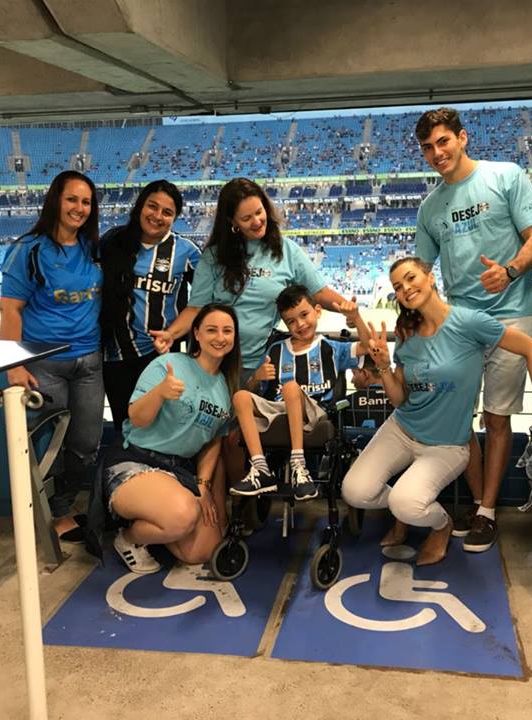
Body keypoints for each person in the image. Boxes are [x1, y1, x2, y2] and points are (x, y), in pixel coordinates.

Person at [341, 257, 532, 566]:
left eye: (411, 278)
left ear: (430, 277)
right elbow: (399, 399)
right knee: (355, 492)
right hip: (402, 429)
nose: (406, 288)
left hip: (447, 444)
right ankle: (404, 510)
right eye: (398, 286)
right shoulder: (406, 330)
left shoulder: (468, 322)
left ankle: (439, 524)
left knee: (406, 502)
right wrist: (384, 367)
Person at [413, 107, 532, 553]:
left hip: (511, 313)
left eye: (443, 142)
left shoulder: (506, 176)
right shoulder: (430, 208)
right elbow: (421, 272)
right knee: (458, 420)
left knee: (498, 416)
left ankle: (488, 511)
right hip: (460, 322)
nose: (437, 153)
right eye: (428, 148)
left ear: (462, 138)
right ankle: (474, 502)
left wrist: (509, 271)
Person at [151, 177, 348, 482]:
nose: (257, 221)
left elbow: (318, 291)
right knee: (221, 439)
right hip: (218, 366)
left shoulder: (286, 250)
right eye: (247, 217)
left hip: (262, 365)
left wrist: (349, 308)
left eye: (260, 212)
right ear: (232, 222)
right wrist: (171, 333)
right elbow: (196, 308)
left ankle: (252, 492)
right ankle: (232, 502)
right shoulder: (216, 257)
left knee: (244, 435)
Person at [0, 170, 104, 541]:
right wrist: (14, 365)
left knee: (86, 442)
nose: (79, 208)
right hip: (45, 362)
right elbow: (10, 310)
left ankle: (66, 507)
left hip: (89, 360)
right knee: (49, 445)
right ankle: (47, 516)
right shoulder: (28, 250)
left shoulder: (93, 248)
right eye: (72, 199)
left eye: (86, 202)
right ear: (56, 201)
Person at [105, 304, 239, 572]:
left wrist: (202, 486)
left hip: (177, 470)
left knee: (201, 552)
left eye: (227, 331)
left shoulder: (226, 386)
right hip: (134, 461)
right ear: (197, 334)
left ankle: (155, 519)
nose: (220, 337)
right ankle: (128, 538)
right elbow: (137, 418)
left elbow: (213, 442)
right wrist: (160, 393)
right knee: (182, 516)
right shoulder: (170, 365)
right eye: (211, 330)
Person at [229, 285, 365, 501]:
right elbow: (256, 391)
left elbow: (369, 347)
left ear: (317, 311)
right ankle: (260, 468)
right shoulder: (275, 350)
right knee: (240, 396)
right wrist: (257, 378)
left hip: (315, 411)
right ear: (285, 323)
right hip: (281, 408)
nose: (300, 324)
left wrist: (356, 318)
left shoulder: (331, 348)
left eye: (304, 315)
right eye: (291, 321)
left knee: (291, 388)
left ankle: (298, 463)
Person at [99, 180, 200, 432]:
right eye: (152, 206)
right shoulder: (113, 241)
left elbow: (201, 303)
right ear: (140, 205)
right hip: (116, 357)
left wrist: (172, 333)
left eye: (167, 212)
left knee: (162, 428)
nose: (157, 216)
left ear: (175, 218)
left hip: (161, 358)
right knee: (126, 426)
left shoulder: (186, 252)